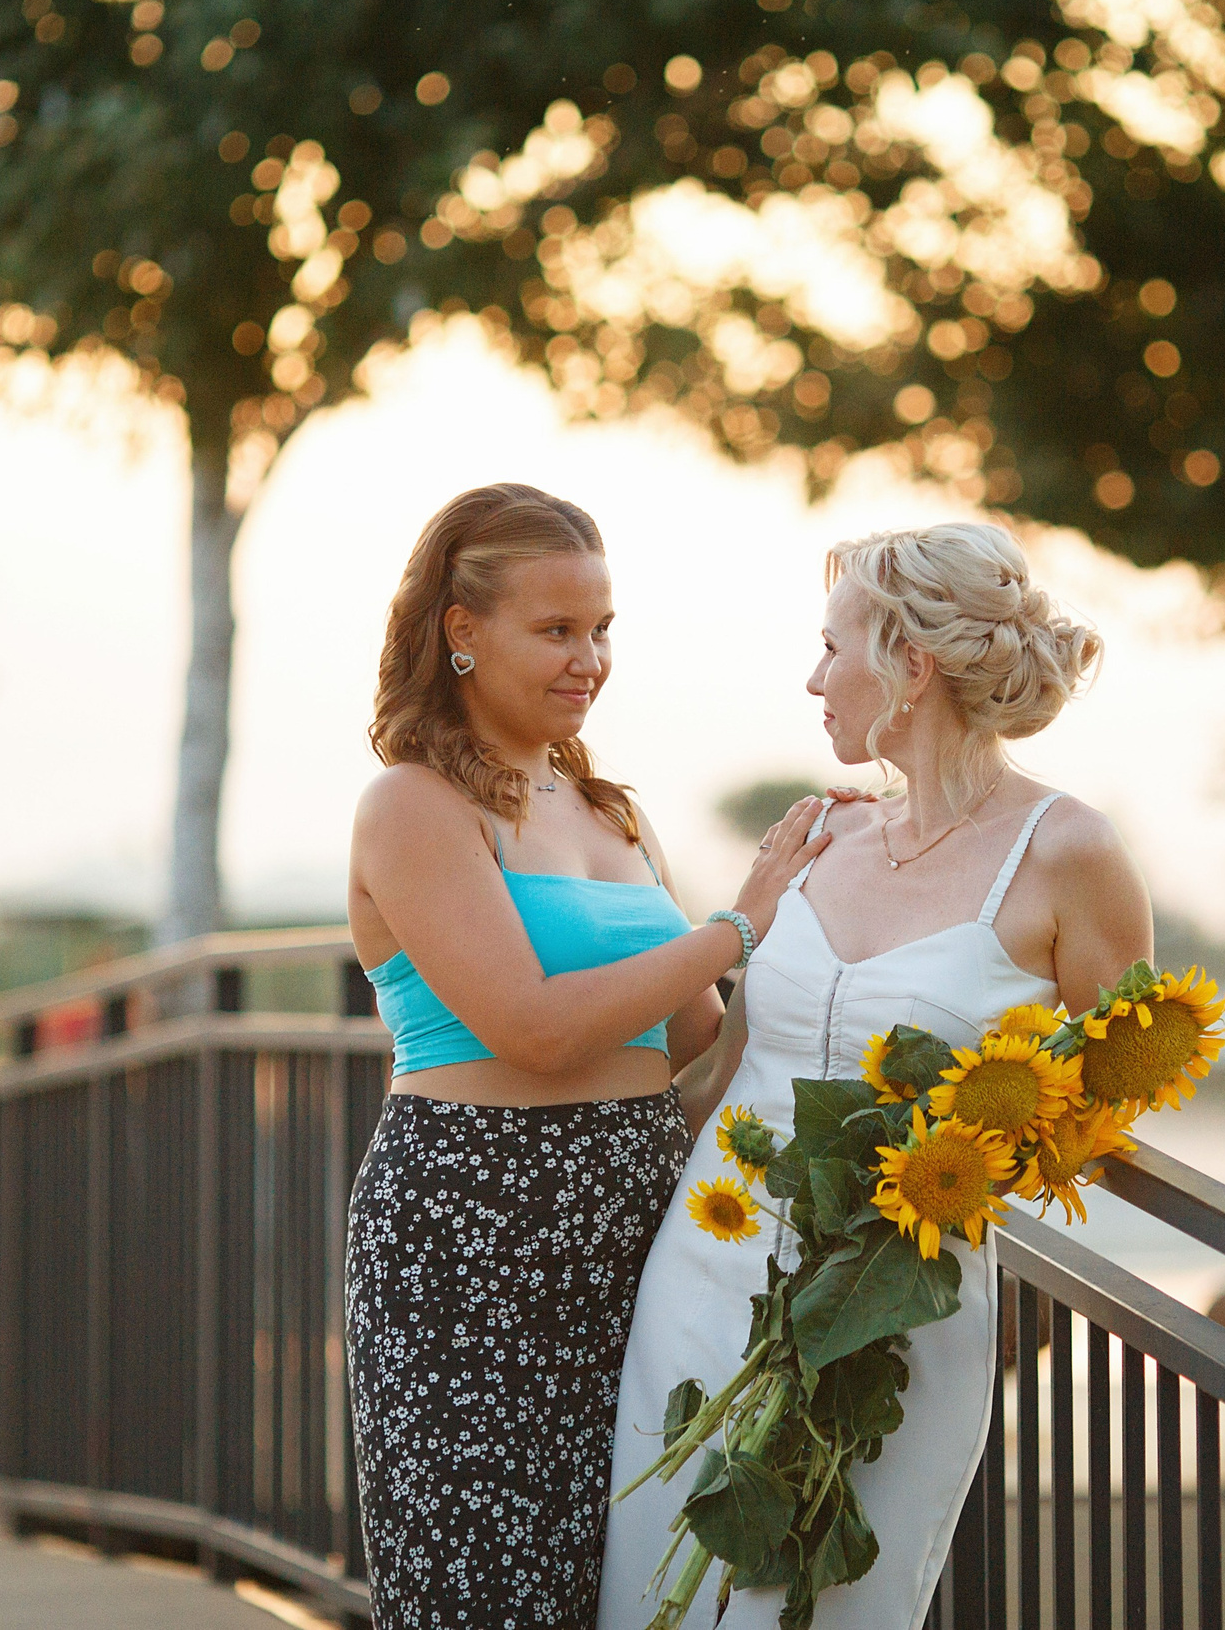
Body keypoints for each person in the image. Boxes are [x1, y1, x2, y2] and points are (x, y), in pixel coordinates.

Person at [602, 521, 1154, 1630]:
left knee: (830, 1601)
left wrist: (976, 1153)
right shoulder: (816, 838)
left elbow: (1115, 1080)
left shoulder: (1067, 852)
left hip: (892, 1313)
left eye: (831, 647)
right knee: (654, 1582)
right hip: (703, 1276)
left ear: (911, 667)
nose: (812, 678)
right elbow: (718, 1067)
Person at [343, 483, 830, 1630]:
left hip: (634, 1235)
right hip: (469, 1243)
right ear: (462, 631)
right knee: (486, 1596)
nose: (590, 658)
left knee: (628, 1585)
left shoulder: (611, 811)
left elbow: (700, 1055)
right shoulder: (410, 806)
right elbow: (540, 1028)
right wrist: (737, 925)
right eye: (556, 630)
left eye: (603, 628)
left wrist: (821, 916)